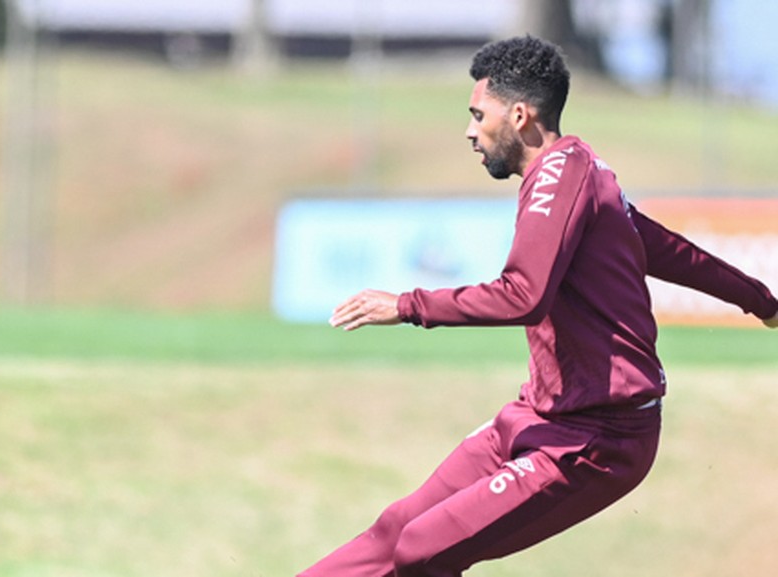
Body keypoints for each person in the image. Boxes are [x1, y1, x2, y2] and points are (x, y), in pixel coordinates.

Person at [297, 35, 778, 577]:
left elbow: (524, 294)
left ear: (520, 115)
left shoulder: (560, 174)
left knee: (422, 549)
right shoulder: (583, 174)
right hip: (537, 417)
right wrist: (760, 300)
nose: (470, 131)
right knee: (396, 529)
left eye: (479, 115)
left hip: (598, 441)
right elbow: (663, 248)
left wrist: (408, 305)